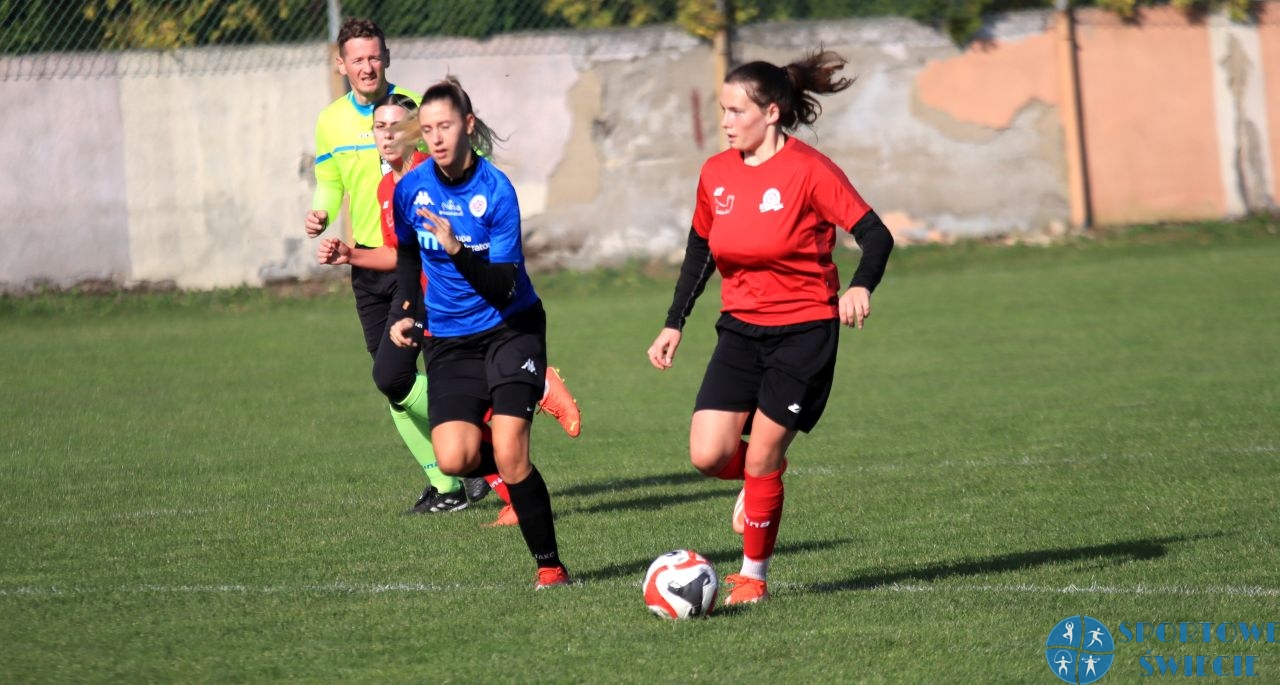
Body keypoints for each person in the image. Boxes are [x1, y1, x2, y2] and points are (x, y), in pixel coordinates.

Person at [646, 50, 894, 606]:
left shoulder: (810, 170)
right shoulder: (716, 173)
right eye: (723, 110)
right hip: (739, 330)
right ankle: (763, 479)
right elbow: (700, 250)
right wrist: (674, 322)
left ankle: (752, 577)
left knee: (758, 457)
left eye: (737, 111)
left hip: (804, 331)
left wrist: (860, 286)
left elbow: (876, 234)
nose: (726, 121)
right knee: (708, 455)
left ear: (772, 112)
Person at [317, 92, 580, 524]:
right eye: (379, 127)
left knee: (394, 378)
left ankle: (495, 467)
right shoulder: (389, 187)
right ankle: (492, 477)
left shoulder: (431, 175)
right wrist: (352, 255)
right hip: (420, 300)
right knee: (405, 389)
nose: (387, 135)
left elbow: (468, 246)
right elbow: (401, 254)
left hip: (451, 305)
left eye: (396, 126)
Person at [389, 77, 571, 589]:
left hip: (510, 327)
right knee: (455, 457)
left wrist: (456, 249)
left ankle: (551, 568)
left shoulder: (495, 191)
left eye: (445, 126)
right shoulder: (411, 189)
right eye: (427, 129)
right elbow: (407, 255)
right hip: (449, 339)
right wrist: (406, 309)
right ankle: (522, 414)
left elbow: (502, 284)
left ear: (468, 126)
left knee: (511, 454)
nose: (436, 138)